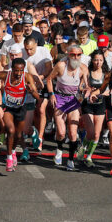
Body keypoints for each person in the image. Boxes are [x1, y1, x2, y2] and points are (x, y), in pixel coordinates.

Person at [0, 58, 41, 172]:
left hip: (21, 109)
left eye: (21, 71)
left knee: (18, 135)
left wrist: (31, 91)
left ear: (24, 70)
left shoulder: (27, 77)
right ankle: (8, 159)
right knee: (10, 130)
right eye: (16, 70)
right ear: (12, 69)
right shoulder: (5, 76)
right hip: (8, 108)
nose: (18, 74)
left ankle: (13, 152)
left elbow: (37, 96)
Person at [45, 43, 88, 171]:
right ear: (68, 55)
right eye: (73, 55)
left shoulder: (83, 68)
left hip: (73, 100)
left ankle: (70, 160)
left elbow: (85, 84)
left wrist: (86, 90)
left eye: (78, 55)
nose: (76, 57)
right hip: (59, 98)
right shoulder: (61, 66)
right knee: (61, 132)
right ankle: (59, 149)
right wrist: (52, 95)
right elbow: (49, 80)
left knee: (73, 133)